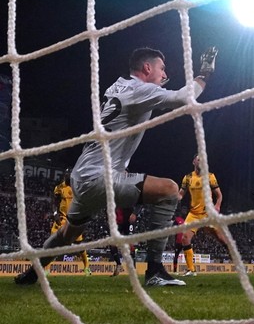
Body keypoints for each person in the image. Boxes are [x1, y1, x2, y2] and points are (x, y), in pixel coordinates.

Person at [15, 46, 218, 287]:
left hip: (82, 176)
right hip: (100, 178)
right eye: (162, 69)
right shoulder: (139, 89)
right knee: (170, 190)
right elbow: (184, 97)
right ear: (147, 68)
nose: (164, 75)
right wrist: (205, 72)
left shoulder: (118, 86)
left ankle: (32, 274)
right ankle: (154, 270)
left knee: (66, 234)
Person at [178, 153, 231, 277]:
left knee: (221, 239)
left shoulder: (210, 176)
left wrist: (217, 206)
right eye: (198, 159)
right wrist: (174, 199)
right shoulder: (187, 178)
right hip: (194, 214)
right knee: (185, 238)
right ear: (194, 162)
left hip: (208, 214)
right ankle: (191, 270)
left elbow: (219, 195)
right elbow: (181, 194)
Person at [44, 169, 92, 276]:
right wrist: (55, 213)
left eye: (70, 175)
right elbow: (54, 202)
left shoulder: (77, 187)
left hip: (74, 220)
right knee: (52, 243)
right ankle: (47, 268)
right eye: (66, 175)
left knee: (79, 245)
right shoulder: (59, 188)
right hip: (61, 219)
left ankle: (86, 267)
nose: (68, 177)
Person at [109, 206, 139, 277]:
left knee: (130, 244)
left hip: (128, 220)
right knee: (112, 243)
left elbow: (139, 202)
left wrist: (135, 213)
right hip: (118, 221)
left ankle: (133, 269)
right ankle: (118, 265)